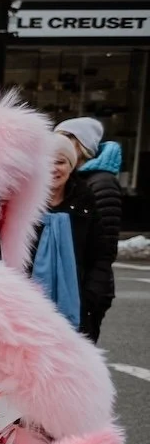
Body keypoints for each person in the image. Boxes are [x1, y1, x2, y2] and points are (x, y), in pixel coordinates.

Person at [56, 117, 122, 341]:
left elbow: (104, 246)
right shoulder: (72, 180)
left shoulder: (100, 182)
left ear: (80, 145)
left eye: (65, 139)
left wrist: (90, 295)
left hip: (87, 286)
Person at [30, 133, 85, 330]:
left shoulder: (85, 203)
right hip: (27, 302)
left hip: (79, 299)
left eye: (61, 162)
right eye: (48, 162)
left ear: (71, 166)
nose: (54, 168)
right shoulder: (23, 206)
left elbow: (100, 256)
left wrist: (94, 298)